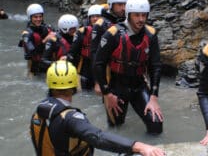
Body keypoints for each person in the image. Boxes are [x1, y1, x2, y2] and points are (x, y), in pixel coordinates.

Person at [30, 60, 166, 156]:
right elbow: (98, 137)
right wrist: (139, 146)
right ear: (74, 85)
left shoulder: (40, 111)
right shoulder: (70, 118)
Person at [94, 0, 163, 134]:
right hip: (117, 87)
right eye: (136, 15)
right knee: (116, 128)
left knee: (156, 124)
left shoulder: (151, 35)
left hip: (139, 86)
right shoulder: (113, 34)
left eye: (144, 15)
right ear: (128, 15)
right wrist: (107, 94)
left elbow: (155, 65)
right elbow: (98, 64)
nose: (141, 19)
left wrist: (154, 97)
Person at [91, 0, 129, 95]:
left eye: (125, 4)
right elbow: (94, 54)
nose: (123, 8)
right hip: (108, 70)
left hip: (124, 69)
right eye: (119, 5)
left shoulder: (128, 21)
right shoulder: (100, 25)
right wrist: (98, 81)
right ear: (111, 5)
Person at [66, 4, 102, 91]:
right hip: (85, 69)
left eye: (98, 16)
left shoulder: (108, 32)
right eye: (92, 16)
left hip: (101, 68)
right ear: (89, 18)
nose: (95, 19)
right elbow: (72, 53)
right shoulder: (82, 33)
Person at [18, 3, 53, 76]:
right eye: (35, 17)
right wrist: (45, 40)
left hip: (48, 62)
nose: (38, 19)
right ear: (30, 18)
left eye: (40, 17)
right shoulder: (27, 34)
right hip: (35, 66)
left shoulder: (47, 28)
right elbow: (32, 52)